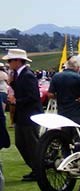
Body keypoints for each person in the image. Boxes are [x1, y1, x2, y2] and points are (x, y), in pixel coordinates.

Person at [3, 48, 42, 180]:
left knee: (31, 144)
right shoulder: (19, 75)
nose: (9, 63)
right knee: (21, 143)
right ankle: (35, 168)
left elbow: (34, 97)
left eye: (10, 60)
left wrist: (16, 101)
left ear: (18, 61)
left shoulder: (27, 75)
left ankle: (39, 170)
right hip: (23, 116)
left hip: (30, 116)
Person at [48, 56, 80, 128]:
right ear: (76, 67)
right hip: (77, 112)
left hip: (62, 113)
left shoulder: (56, 76)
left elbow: (50, 94)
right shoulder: (78, 77)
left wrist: (58, 97)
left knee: (65, 136)